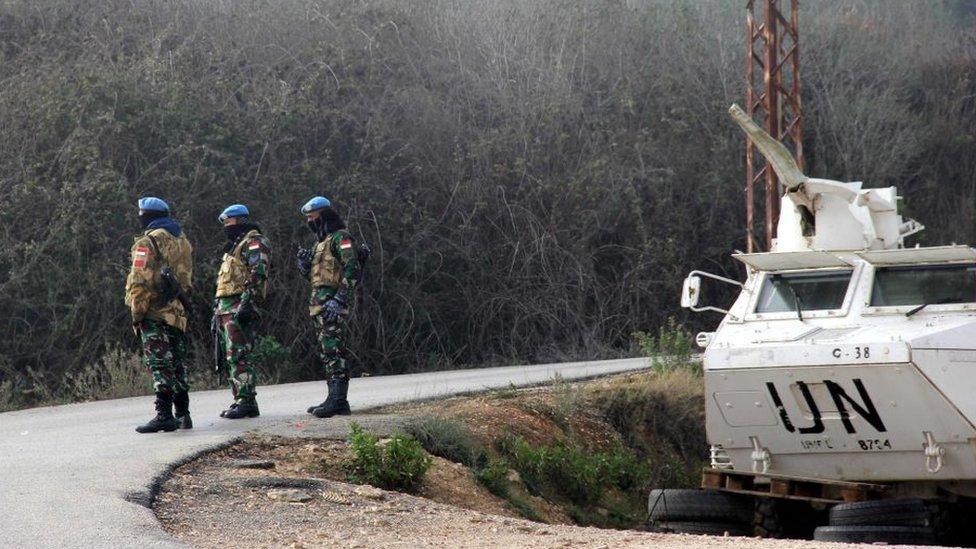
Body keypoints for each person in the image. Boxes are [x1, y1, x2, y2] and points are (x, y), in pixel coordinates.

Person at [125, 197, 194, 433]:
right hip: (177, 311)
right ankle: (183, 414)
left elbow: (138, 280)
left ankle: (164, 414)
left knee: (159, 362)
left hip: (154, 310)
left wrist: (137, 313)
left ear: (146, 216)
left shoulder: (146, 242)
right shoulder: (182, 241)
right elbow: (186, 280)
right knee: (177, 362)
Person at [297, 196, 361, 417]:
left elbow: (352, 268)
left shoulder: (340, 238)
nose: (310, 221)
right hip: (319, 305)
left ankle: (339, 399)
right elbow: (318, 277)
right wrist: (304, 266)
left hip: (332, 304)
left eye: (312, 217)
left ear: (323, 215)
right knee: (327, 352)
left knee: (334, 350)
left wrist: (340, 298)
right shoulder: (320, 243)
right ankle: (333, 398)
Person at [213, 204, 272, 419]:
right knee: (231, 356)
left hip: (240, 306)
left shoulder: (254, 242)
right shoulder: (236, 246)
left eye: (229, 222)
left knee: (239, 355)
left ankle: (247, 401)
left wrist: (247, 302)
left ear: (239, 220)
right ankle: (240, 399)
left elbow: (258, 272)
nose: (226, 227)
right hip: (227, 307)